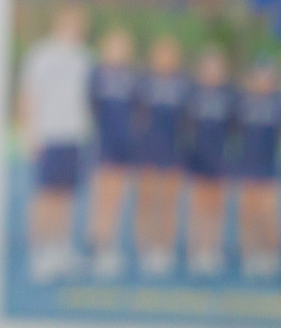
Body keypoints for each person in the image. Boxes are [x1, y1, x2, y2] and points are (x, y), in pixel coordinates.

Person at [17, 2, 92, 283]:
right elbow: (28, 95)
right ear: (59, 21)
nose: (75, 26)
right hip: (48, 135)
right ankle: (39, 254)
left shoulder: (85, 58)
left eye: (79, 21)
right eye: (70, 20)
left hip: (75, 137)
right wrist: (29, 134)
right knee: (45, 196)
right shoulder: (42, 54)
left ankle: (60, 249)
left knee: (66, 196)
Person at [132, 35, 189, 278]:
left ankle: (163, 248)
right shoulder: (143, 82)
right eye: (161, 54)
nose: (165, 60)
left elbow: (189, 119)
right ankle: (143, 247)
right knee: (146, 200)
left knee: (168, 202)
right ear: (154, 58)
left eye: (170, 55)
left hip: (173, 151)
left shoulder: (184, 84)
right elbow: (134, 114)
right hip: (148, 150)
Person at [87, 27, 138, 279]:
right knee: (102, 198)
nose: (118, 52)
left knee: (118, 198)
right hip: (104, 144)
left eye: (123, 47)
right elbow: (90, 107)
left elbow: (138, 110)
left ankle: (111, 248)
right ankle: (99, 247)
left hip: (125, 147)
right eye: (114, 46)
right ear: (106, 49)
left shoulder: (132, 76)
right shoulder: (96, 73)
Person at [183, 46, 236, 278]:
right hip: (198, 156)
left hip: (219, 157)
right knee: (198, 205)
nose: (212, 73)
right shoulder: (192, 93)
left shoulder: (230, 95)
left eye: (216, 68)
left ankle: (212, 247)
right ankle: (196, 249)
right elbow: (184, 124)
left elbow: (237, 127)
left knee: (216, 206)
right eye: (208, 68)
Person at [234, 61, 281, 279]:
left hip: (267, 167)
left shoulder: (276, 103)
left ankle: (269, 254)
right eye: (258, 78)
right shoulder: (243, 102)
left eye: (267, 79)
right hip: (247, 166)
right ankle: (248, 253)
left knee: (267, 213)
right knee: (248, 212)